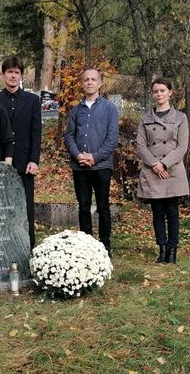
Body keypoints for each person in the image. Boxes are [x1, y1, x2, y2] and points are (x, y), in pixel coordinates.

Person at [64, 68, 119, 256]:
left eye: (93, 79)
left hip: (102, 166)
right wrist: (78, 155)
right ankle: (87, 245)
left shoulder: (109, 108)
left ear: (100, 83)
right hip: (79, 167)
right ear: (82, 83)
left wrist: (94, 157)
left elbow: (112, 139)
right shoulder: (76, 110)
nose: (89, 82)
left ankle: (105, 246)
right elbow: (69, 136)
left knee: (103, 207)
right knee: (84, 206)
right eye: (86, 79)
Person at [0, 56, 41, 248]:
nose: (12, 76)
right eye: (9, 72)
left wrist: (34, 160)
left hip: (24, 162)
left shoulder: (33, 101)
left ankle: (28, 246)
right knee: (0, 206)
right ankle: (1, 247)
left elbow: (36, 133)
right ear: (3, 75)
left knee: (26, 207)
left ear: (21, 76)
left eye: (16, 72)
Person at [136, 78, 189, 264]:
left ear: (170, 92)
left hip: (173, 171)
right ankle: (162, 249)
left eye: (162, 90)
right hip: (152, 171)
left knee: (172, 212)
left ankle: (173, 251)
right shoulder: (145, 118)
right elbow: (141, 145)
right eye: (156, 91)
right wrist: (155, 165)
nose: (159, 94)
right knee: (157, 212)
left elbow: (182, 147)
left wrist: (164, 164)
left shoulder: (181, 118)